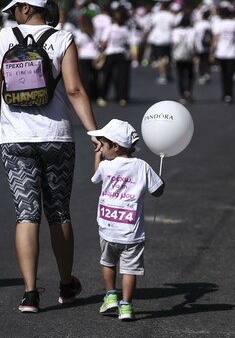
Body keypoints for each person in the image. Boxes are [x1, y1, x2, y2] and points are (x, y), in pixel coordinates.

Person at [0, 0, 101, 313]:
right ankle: (66, 285)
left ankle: (29, 294)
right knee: (59, 212)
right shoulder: (62, 39)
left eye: (14, 9)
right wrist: (95, 132)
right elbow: (75, 90)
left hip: (15, 139)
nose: (12, 15)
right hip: (56, 137)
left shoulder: (3, 38)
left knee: (26, 213)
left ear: (26, 8)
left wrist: (9, 121)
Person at [88, 119, 165, 321]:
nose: (101, 149)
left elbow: (96, 175)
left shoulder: (105, 166)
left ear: (115, 146)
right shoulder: (142, 166)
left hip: (107, 227)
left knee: (108, 262)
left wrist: (96, 156)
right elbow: (158, 191)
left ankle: (111, 295)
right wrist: (161, 181)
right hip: (131, 231)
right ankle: (126, 306)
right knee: (129, 270)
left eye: (103, 145)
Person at [96, 3, 132, 107]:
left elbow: (103, 42)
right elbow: (104, 42)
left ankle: (120, 97)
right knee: (109, 76)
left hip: (120, 53)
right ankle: (109, 96)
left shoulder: (124, 28)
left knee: (121, 76)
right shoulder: (111, 27)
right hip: (112, 53)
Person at [210, 1, 235, 104]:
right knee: (230, 76)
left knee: (223, 76)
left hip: (221, 53)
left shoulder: (219, 24)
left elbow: (215, 39)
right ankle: (230, 94)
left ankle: (225, 94)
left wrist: (212, 52)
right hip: (232, 53)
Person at [171, 13, 197, 103]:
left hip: (178, 55)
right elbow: (193, 44)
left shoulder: (176, 31)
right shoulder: (192, 31)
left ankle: (182, 94)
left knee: (180, 75)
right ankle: (188, 91)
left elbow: (174, 43)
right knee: (190, 75)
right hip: (189, 55)